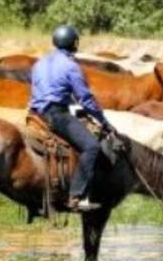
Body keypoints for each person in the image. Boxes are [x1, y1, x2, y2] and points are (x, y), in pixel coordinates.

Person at [28, 24, 113, 212]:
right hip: (56, 114)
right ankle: (77, 196)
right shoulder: (71, 66)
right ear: (72, 43)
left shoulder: (39, 63)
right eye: (76, 41)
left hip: (35, 113)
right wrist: (103, 121)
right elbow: (86, 99)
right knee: (92, 147)